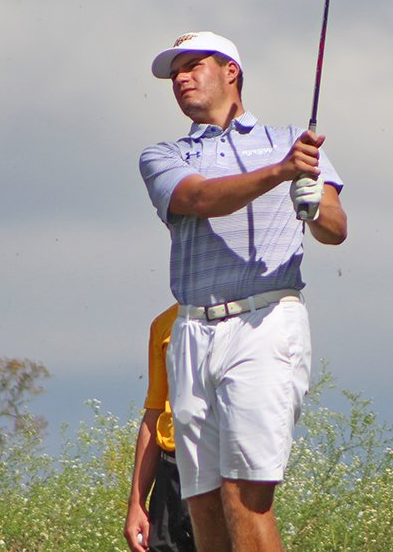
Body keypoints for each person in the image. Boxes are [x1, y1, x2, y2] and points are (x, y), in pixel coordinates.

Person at [138, 31, 348, 551]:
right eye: (174, 73)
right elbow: (200, 198)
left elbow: (336, 230)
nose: (181, 79)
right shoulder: (164, 155)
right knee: (202, 498)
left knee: (244, 490)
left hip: (264, 321)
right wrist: (280, 174)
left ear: (231, 70)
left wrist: (313, 203)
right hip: (192, 330)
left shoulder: (291, 140)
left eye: (193, 66)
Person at [125, 304, 196, 552]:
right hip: (171, 475)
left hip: (218, 469)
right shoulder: (164, 323)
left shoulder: (239, 317)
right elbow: (154, 411)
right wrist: (136, 502)